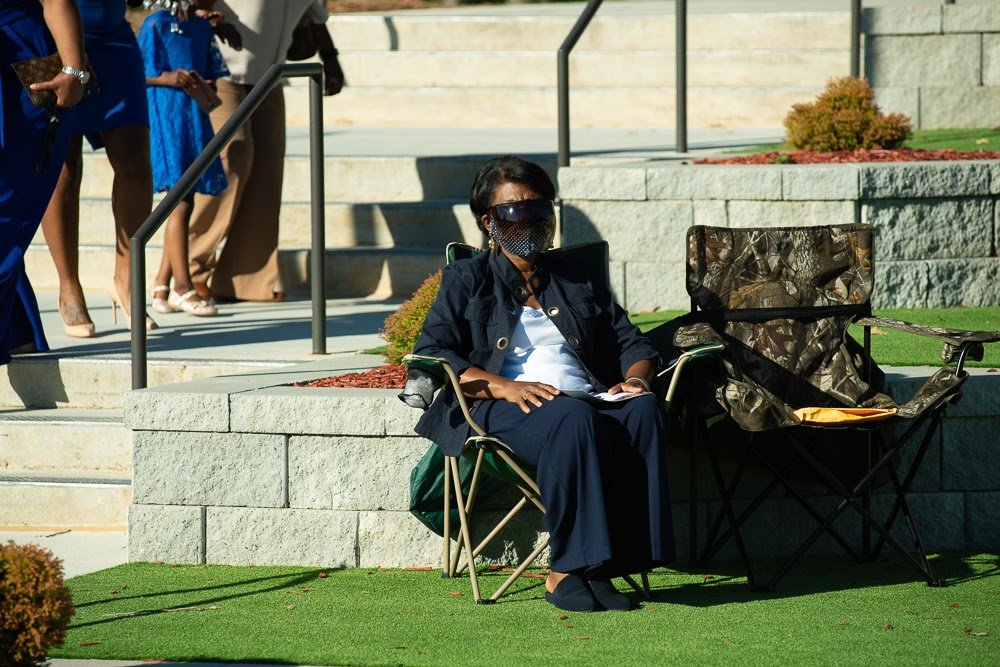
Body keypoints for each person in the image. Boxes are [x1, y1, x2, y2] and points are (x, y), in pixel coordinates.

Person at [411, 156, 675, 613]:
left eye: (540, 209)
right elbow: (434, 354)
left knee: (644, 411)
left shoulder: (576, 278)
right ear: (487, 220)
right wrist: (503, 386)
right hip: (495, 405)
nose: (530, 220)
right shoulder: (466, 279)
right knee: (573, 420)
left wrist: (635, 381)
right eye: (515, 211)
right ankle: (566, 572)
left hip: (583, 398)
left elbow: (631, 342)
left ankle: (610, 566)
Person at [186, 0, 344, 304]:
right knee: (233, 158)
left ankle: (243, 280)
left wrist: (331, 58)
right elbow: (191, 7)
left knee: (266, 174)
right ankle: (189, 269)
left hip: (270, 78)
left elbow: (315, 19)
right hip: (220, 71)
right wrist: (207, 19)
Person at [39, 0, 156, 336]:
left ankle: (127, 278)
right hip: (55, 38)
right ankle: (68, 285)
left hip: (114, 37)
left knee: (135, 158)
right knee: (64, 167)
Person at [1, 0, 87, 363]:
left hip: (22, 72)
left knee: (6, 215)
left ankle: (19, 335)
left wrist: (75, 70)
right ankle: (21, 335)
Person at [140, 0, 229, 317]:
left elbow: (213, 72)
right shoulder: (156, 24)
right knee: (179, 201)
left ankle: (162, 284)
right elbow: (140, 72)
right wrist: (169, 78)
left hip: (193, 118)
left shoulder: (202, 26)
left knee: (186, 198)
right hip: (166, 117)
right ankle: (182, 286)